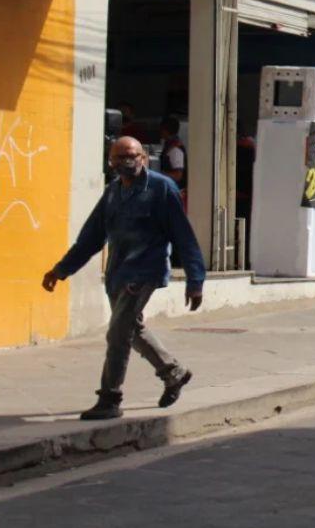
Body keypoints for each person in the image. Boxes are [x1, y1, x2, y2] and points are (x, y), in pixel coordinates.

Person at [41, 137, 204, 421]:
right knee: (132, 328)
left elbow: (184, 236)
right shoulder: (113, 193)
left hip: (145, 271)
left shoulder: (161, 188)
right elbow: (91, 237)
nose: (125, 162)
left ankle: (110, 398)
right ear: (110, 162)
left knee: (117, 333)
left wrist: (195, 279)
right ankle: (173, 372)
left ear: (143, 157)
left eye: (131, 156)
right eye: (118, 158)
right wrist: (61, 270)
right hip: (118, 273)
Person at [158, 116, 186, 192]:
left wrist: (158, 173)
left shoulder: (175, 149)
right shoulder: (169, 146)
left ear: (165, 130)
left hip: (175, 190)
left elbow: (178, 176)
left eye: (161, 129)